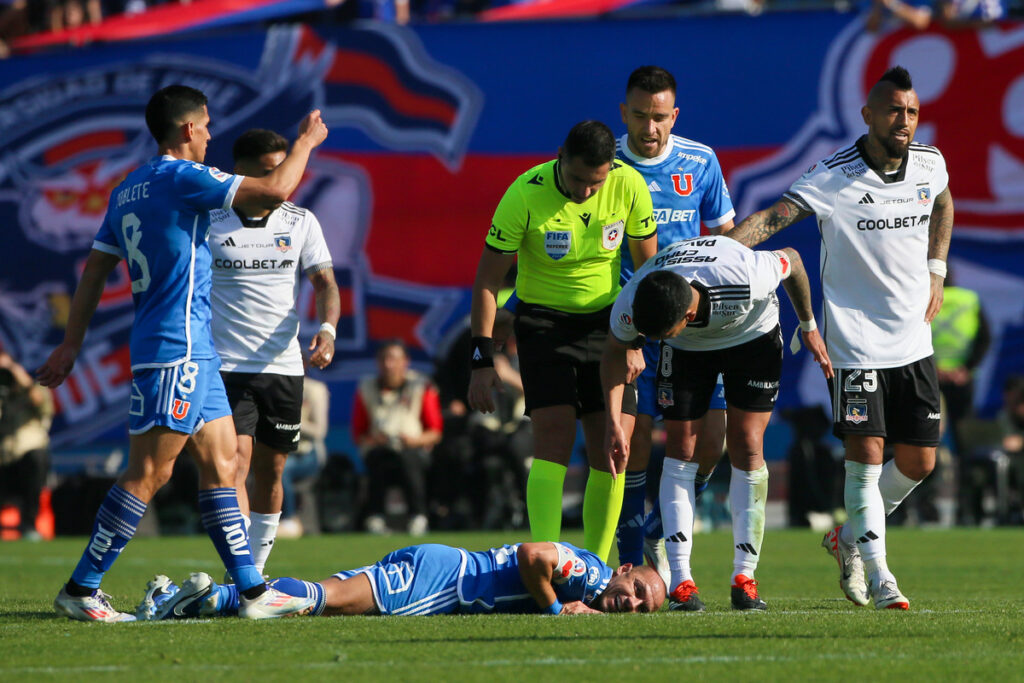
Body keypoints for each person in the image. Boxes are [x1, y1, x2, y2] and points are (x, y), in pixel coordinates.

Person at [37, 84, 328, 622]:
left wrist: (72, 343)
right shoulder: (182, 177)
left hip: (195, 350)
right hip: (177, 348)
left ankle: (253, 594)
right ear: (189, 129)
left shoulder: (127, 188)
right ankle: (81, 588)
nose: (213, 133)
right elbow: (274, 190)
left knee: (221, 466)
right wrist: (306, 143)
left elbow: (96, 269)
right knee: (149, 472)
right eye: (208, 124)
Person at [727, 66, 954, 610]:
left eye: (912, 111)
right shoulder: (833, 176)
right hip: (855, 344)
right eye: (894, 110)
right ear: (868, 115)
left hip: (914, 341)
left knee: (921, 462)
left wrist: (937, 268)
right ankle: (880, 576)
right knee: (866, 460)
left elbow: (943, 204)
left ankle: (846, 538)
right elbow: (774, 217)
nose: (904, 120)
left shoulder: (930, 162)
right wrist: (723, 253)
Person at [601, 237, 830, 611]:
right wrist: (613, 420)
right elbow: (613, 351)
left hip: (752, 335)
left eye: (658, 337)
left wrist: (808, 324)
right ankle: (681, 582)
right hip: (688, 351)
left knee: (746, 444)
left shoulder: (747, 277)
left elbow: (793, 258)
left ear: (687, 317)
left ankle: (745, 578)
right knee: (681, 449)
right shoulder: (634, 298)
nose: (652, 343)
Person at [468, 120, 657, 563]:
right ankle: (546, 564)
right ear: (559, 156)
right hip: (543, 326)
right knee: (553, 438)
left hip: (610, 327)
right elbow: (486, 282)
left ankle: (593, 568)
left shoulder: (628, 184)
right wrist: (481, 359)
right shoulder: (524, 193)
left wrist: (635, 340)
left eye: (597, 181)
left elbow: (648, 272)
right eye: (577, 179)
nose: (586, 192)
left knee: (613, 450)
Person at [613, 65, 736, 578]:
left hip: (692, 324)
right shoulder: (607, 164)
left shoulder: (700, 160)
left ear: (674, 115)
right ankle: (627, 559)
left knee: (712, 444)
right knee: (633, 443)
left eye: (659, 118)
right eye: (640, 116)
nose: (649, 128)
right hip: (630, 324)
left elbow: (727, 237)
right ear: (624, 112)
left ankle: (654, 532)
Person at [210, 128, 339, 570]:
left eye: (285, 170)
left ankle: (256, 572)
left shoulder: (300, 220)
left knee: (274, 469)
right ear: (239, 173)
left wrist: (328, 329)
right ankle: (242, 573)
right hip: (226, 364)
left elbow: (326, 284)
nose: (280, 182)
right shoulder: (209, 219)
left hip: (283, 367)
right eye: (269, 173)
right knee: (236, 463)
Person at [138, 539, 666, 620]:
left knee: (327, 595)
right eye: (639, 589)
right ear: (624, 569)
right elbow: (532, 554)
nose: (634, 603)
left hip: (443, 569)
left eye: (644, 607)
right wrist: (556, 609)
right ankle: (209, 596)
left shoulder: (595, 588)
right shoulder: (593, 573)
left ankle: (193, 598)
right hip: (446, 580)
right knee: (327, 601)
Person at [353, 339, 443, 536]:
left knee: (408, 459)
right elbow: (359, 433)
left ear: (405, 362)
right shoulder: (366, 387)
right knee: (377, 458)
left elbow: (435, 431)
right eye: (384, 359)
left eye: (394, 359)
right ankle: (375, 517)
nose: (388, 365)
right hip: (380, 449)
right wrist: (374, 440)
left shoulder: (421, 386)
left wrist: (415, 441)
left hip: (413, 448)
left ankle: (418, 516)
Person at [0, 349, 53, 540]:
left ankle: (29, 525)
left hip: (25, 460)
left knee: (36, 458)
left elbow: (40, 401)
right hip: (2, 461)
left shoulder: (33, 390)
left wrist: (14, 371)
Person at [277, 371, 331, 538]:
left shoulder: (315, 389)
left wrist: (291, 422)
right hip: (279, 449)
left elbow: (319, 431)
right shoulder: (272, 386)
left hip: (307, 453)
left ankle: (289, 520)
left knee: (281, 468)